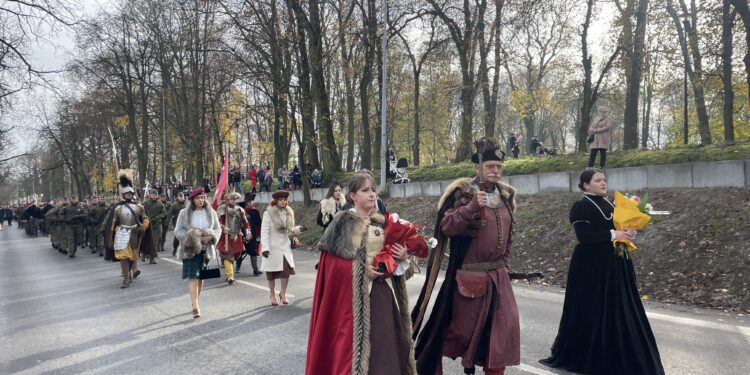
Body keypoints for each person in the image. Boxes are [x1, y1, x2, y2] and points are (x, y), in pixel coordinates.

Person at [539, 169, 664, 374]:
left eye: (604, 179)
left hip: (615, 263)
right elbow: (584, 236)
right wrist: (615, 233)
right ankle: (589, 354)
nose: (603, 183)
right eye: (597, 180)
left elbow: (620, 227)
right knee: (592, 308)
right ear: (585, 185)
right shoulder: (581, 207)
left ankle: (617, 354)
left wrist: (629, 231)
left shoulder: (612, 204)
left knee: (617, 308)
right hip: (590, 265)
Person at [412, 137, 519, 375]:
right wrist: (470, 208)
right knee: (454, 332)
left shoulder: (505, 196)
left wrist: (505, 266)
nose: (496, 171)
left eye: (499, 167)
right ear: (477, 167)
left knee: (500, 336)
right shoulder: (463, 193)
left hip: (499, 279)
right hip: (469, 278)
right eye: (491, 166)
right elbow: (446, 228)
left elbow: (509, 236)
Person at [306, 172, 418, 375]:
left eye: (373, 190)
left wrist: (402, 257)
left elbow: (397, 267)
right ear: (352, 196)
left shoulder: (383, 223)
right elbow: (330, 266)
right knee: (348, 355)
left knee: (387, 352)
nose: (372, 194)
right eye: (365, 190)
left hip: (380, 297)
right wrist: (360, 270)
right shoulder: (342, 223)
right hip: (349, 304)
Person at [103, 169, 157, 288]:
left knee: (133, 257)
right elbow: (113, 223)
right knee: (123, 256)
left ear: (132, 194)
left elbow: (145, 218)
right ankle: (126, 279)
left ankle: (130, 272)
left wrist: (144, 226)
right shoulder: (118, 208)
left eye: (130, 194)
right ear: (123, 194)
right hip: (121, 233)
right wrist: (110, 237)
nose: (128, 195)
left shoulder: (139, 207)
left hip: (134, 233)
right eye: (126, 194)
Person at [174, 187, 221, 318]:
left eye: (202, 197)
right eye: (198, 198)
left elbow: (217, 229)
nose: (201, 200)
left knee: (201, 276)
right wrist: (193, 237)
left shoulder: (211, 212)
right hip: (190, 249)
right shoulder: (184, 213)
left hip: (206, 249)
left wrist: (212, 237)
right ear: (192, 200)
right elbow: (178, 230)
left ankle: (196, 301)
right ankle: (195, 306)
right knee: (193, 276)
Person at [260, 190, 302, 306]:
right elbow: (264, 231)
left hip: (285, 246)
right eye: (280, 200)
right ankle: (272, 294)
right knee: (271, 273)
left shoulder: (288, 212)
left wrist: (300, 229)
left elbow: (291, 229)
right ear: (276, 200)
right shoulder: (268, 213)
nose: (283, 202)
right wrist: (265, 248)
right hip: (272, 247)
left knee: (286, 271)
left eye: (284, 200)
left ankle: (283, 293)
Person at [217, 191, 250, 285]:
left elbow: (246, 223)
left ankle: (229, 272)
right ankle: (230, 276)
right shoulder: (223, 209)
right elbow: (218, 222)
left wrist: (248, 233)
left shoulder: (240, 210)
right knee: (227, 256)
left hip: (236, 236)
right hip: (225, 237)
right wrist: (223, 227)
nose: (234, 201)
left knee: (236, 255)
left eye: (235, 199)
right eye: (232, 199)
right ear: (227, 200)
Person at [237, 192, 263, 276]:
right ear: (246, 202)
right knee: (240, 251)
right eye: (249, 201)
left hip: (253, 235)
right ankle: (237, 267)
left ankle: (255, 269)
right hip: (241, 234)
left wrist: (259, 234)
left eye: (252, 201)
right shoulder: (240, 211)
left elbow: (259, 224)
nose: (250, 203)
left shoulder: (255, 211)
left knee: (253, 251)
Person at [143, 188, 167, 262]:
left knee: (155, 240)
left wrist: (157, 217)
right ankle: (144, 254)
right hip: (147, 224)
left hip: (156, 224)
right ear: (150, 195)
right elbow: (141, 212)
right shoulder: (146, 203)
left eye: (156, 195)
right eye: (153, 195)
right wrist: (146, 218)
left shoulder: (160, 204)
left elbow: (164, 213)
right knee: (146, 240)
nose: (155, 196)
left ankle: (152, 258)